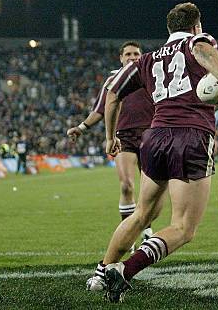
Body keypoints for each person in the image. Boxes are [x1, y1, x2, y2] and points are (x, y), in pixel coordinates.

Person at [93, 2, 218, 302]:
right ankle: (124, 270)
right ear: (196, 25)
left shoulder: (145, 60)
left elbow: (112, 92)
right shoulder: (199, 41)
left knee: (141, 214)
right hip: (191, 136)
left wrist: (109, 137)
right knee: (183, 227)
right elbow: (210, 62)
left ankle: (99, 273)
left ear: (169, 29)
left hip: (155, 137)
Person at [68, 42, 157, 290]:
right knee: (127, 184)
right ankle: (129, 235)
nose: (132, 57)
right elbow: (100, 109)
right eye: (128, 54)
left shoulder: (150, 72)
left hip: (151, 135)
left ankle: (146, 230)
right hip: (124, 137)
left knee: (149, 190)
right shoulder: (112, 80)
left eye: (136, 54)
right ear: (120, 58)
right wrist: (82, 128)